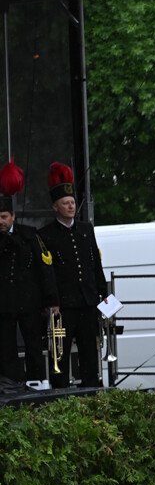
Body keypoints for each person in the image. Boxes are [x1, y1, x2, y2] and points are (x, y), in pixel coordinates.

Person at [38, 163, 105, 389]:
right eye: (65, 203)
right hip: (63, 305)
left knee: (88, 349)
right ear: (55, 207)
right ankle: (58, 391)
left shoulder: (86, 229)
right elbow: (46, 272)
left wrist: (102, 293)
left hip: (87, 301)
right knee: (60, 351)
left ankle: (90, 388)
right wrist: (51, 301)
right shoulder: (46, 234)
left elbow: (95, 262)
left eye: (73, 203)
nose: (70, 206)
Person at [0, 159, 56, 384]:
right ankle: (9, 384)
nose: (0, 222)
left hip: (29, 302)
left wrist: (51, 300)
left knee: (34, 344)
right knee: (6, 347)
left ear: (13, 216)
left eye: (4, 217)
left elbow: (45, 267)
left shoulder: (30, 234)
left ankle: (36, 383)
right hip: (3, 303)